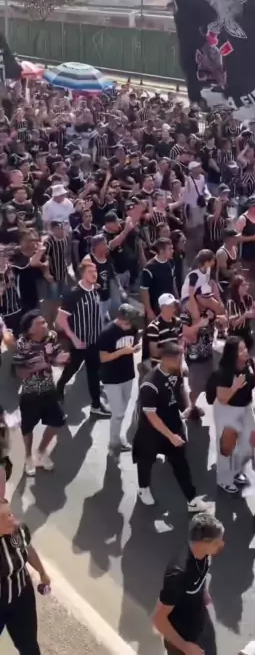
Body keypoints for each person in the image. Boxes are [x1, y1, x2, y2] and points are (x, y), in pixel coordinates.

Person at [132, 341, 209, 512]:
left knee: (180, 462)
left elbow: (181, 390)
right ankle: (143, 488)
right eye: (179, 359)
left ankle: (191, 499)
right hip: (151, 431)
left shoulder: (176, 371)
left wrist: (187, 407)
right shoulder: (150, 384)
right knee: (145, 461)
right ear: (166, 360)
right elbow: (151, 416)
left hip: (173, 423)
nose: (182, 363)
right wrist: (171, 436)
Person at [153, 513, 224, 655]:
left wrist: (203, 592)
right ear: (204, 543)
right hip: (183, 637)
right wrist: (185, 647)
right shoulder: (178, 575)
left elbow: (200, 575)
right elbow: (159, 619)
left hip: (201, 623)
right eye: (217, 542)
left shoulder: (204, 554)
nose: (222, 544)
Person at [13, 310, 70, 477]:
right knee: (28, 428)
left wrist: (59, 360)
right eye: (40, 323)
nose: (45, 325)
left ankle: (41, 451)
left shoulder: (50, 337)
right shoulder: (22, 345)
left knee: (57, 422)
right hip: (30, 393)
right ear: (30, 330)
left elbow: (54, 357)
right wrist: (41, 364)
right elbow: (20, 373)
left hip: (48, 389)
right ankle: (28, 457)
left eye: (44, 322)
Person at [55, 260, 111, 418]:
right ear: (82, 274)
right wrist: (74, 339)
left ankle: (96, 405)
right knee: (72, 369)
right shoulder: (74, 294)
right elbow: (61, 320)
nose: (94, 274)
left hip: (95, 342)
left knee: (94, 373)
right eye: (90, 272)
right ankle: (59, 387)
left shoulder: (95, 289)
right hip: (80, 343)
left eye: (95, 271)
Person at [0, 500, 51, 655]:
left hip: (22, 597)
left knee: (29, 647)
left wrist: (42, 572)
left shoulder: (18, 531)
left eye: (10, 513)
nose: (11, 519)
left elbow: (27, 549)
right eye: (3, 517)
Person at [212, 337, 255, 495]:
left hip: (245, 407)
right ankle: (224, 479)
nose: (245, 352)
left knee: (248, 443)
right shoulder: (224, 372)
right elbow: (222, 398)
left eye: (245, 348)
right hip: (227, 410)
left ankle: (237, 471)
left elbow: (254, 382)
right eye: (240, 350)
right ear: (232, 353)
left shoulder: (248, 364)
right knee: (227, 447)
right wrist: (235, 387)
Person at [97, 304, 140, 454]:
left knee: (122, 411)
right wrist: (123, 351)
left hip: (128, 375)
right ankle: (114, 443)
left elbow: (134, 344)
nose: (130, 325)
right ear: (121, 319)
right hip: (111, 378)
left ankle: (117, 438)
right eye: (128, 322)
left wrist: (135, 348)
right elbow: (103, 358)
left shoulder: (133, 329)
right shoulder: (107, 333)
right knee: (117, 414)